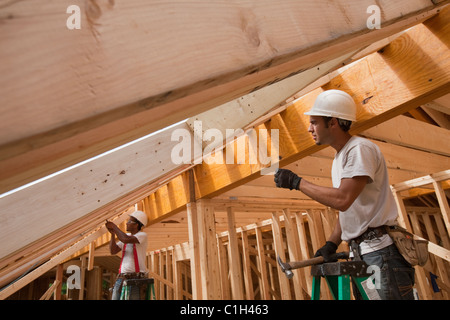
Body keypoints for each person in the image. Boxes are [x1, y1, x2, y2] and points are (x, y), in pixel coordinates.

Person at [274, 89, 415, 300]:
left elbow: (342, 199)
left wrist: (297, 182)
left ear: (333, 123)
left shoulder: (359, 149)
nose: (309, 128)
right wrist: (331, 243)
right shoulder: (340, 158)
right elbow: (349, 208)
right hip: (363, 254)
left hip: (380, 254)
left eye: (314, 122)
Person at [106, 210, 149, 300]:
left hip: (135, 279)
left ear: (136, 224)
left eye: (129, 221)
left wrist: (114, 226)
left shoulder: (142, 235)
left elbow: (125, 239)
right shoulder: (127, 236)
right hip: (121, 278)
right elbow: (113, 251)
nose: (126, 223)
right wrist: (113, 235)